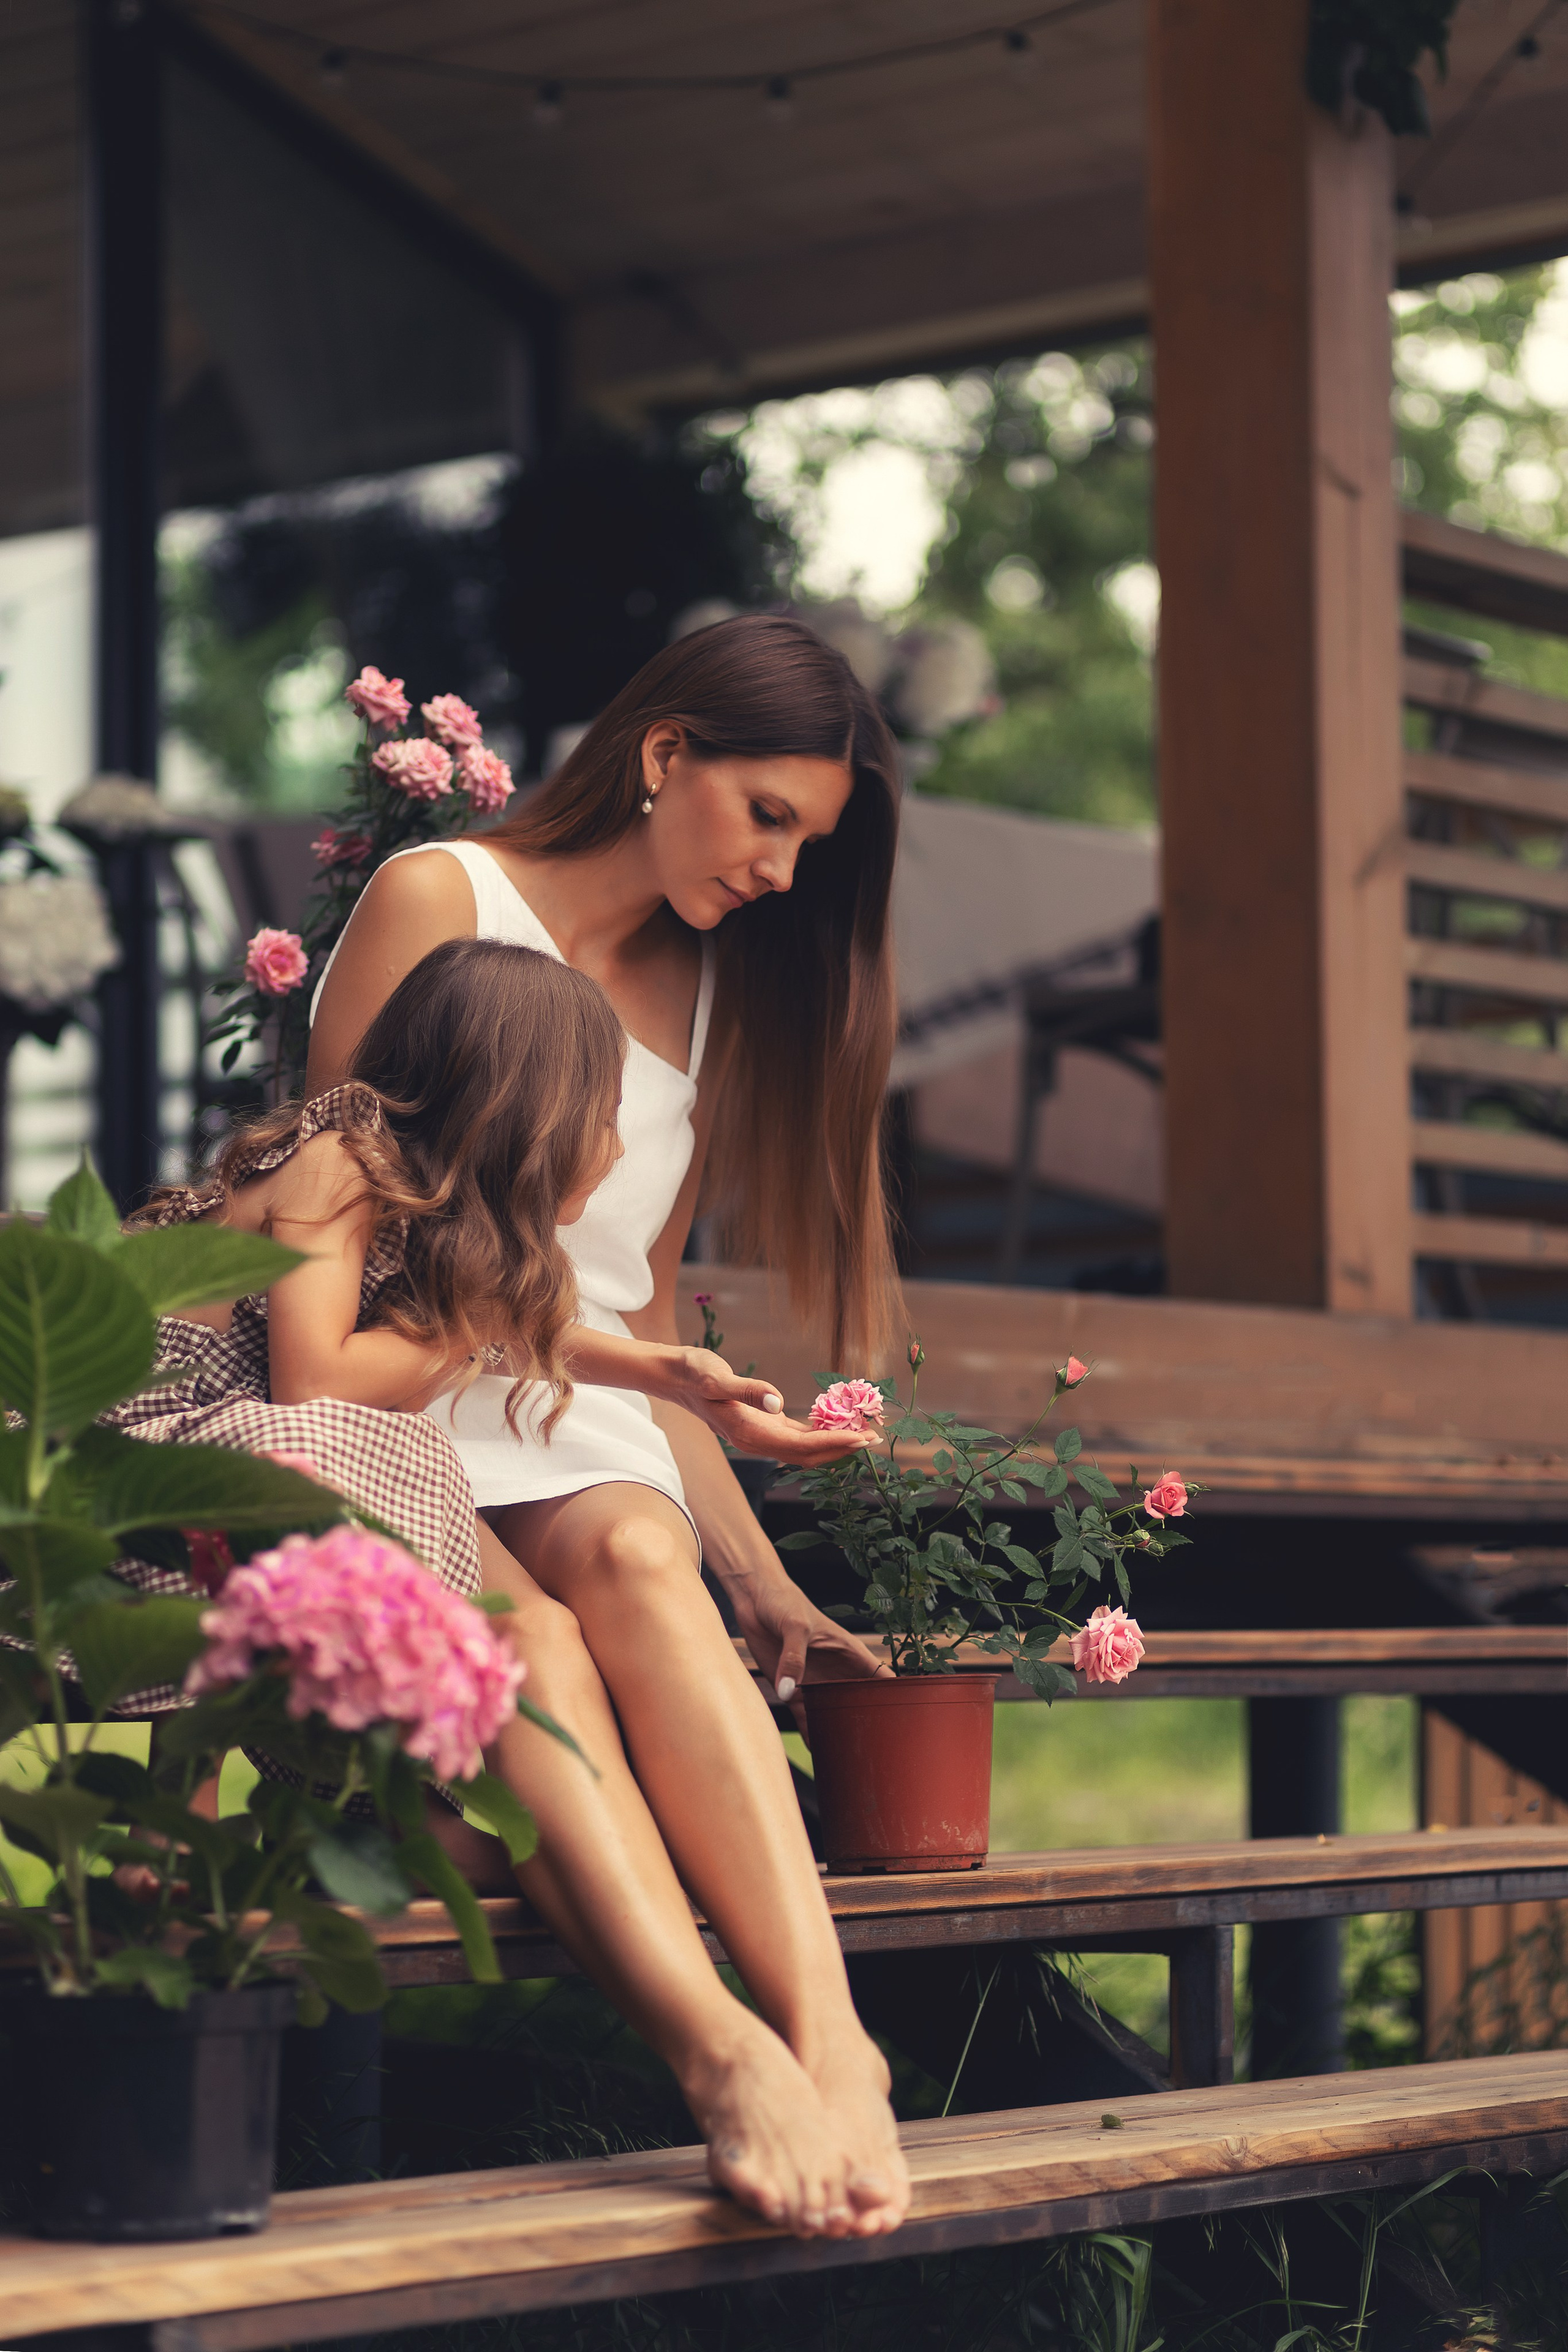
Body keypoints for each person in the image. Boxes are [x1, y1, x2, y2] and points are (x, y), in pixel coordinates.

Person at [307, 615, 911, 2241]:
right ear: (666, 757)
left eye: (811, 841)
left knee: (645, 1548)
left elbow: (634, 1323)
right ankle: (716, 2061)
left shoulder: (713, 1001)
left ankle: (834, 2048)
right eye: (767, 816)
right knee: (525, 1645)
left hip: (586, 1412)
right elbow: (341, 1207)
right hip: (397, 1380)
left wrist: (768, 1586)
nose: (784, 871)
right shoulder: (442, 898)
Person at [105, 936, 820, 1735]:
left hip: (202, 1462)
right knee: (415, 1480)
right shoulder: (339, 1162)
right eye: (610, 1118)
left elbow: (515, 1332)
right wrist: (472, 1321)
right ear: (533, 1113)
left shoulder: (411, 1198)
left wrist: (677, 1375)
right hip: (110, 1452)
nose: (617, 1152)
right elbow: (313, 1387)